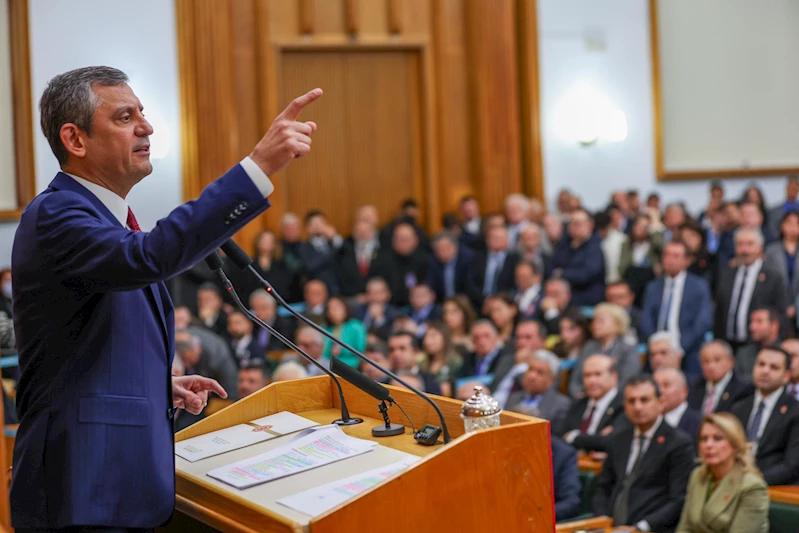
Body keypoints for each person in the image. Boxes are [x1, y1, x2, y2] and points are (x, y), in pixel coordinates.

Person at [9, 66, 321, 530]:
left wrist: (152, 387)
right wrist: (256, 170)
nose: (147, 127)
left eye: (143, 113)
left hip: (115, 484)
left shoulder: (108, 220)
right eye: (125, 117)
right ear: (75, 139)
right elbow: (148, 258)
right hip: (82, 488)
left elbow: (89, 341)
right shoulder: (58, 214)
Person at [593, 375, 694, 533]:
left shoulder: (678, 443)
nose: (638, 407)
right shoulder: (618, 439)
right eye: (631, 401)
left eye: (644, 400)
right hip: (609, 527)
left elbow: (678, 500)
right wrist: (602, 520)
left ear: (660, 403)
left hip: (652, 529)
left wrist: (641, 528)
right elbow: (603, 487)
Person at [675, 413, 769, 533]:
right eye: (704, 439)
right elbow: (684, 528)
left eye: (717, 438)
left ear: (735, 444)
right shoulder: (698, 475)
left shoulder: (752, 486)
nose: (708, 445)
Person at [731, 346, 799, 485]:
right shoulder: (739, 407)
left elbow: (792, 465)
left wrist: (754, 481)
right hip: (735, 481)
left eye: (774, 367)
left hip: (774, 486)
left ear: (787, 376)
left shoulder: (795, 411)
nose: (765, 371)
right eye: (761, 364)